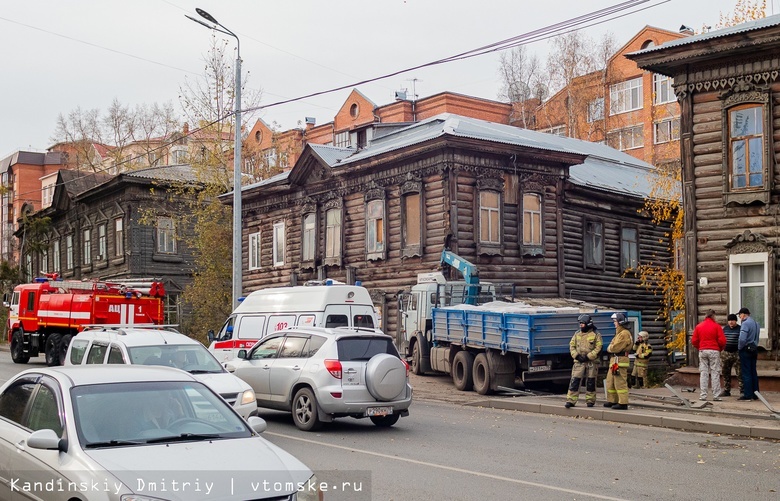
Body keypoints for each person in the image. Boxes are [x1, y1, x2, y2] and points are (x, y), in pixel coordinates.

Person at [565, 314, 603, 408]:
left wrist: (588, 357)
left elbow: (599, 348)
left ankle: (590, 401)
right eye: (580, 323)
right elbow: (572, 346)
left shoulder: (596, 334)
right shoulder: (577, 334)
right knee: (575, 381)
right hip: (579, 362)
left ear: (588, 324)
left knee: (591, 381)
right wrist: (576, 356)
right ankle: (571, 400)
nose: (580, 325)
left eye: (582, 323)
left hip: (591, 362)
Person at [691, 309, 727, 401]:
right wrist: (719, 348)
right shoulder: (717, 326)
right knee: (715, 372)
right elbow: (722, 341)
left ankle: (703, 395)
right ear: (713, 316)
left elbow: (694, 341)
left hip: (703, 350)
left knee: (703, 373)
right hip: (714, 350)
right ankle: (716, 395)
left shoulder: (699, 326)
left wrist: (700, 347)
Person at [604, 312, 633, 410]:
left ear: (620, 322)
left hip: (620, 361)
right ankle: (613, 400)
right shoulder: (619, 333)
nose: (614, 323)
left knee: (620, 383)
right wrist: (611, 347)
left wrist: (611, 347)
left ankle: (623, 403)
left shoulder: (624, 334)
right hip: (615, 361)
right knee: (610, 382)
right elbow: (612, 346)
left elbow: (615, 347)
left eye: (615, 321)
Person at [737, 307, 760, 401]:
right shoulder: (756, 323)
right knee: (753, 371)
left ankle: (748, 394)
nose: (739, 317)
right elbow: (757, 336)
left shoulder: (745, 324)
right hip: (754, 349)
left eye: (740, 315)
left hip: (746, 349)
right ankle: (756, 393)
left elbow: (742, 339)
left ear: (743, 314)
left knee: (746, 372)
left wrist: (739, 347)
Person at [720, 313, 742, 397]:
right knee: (725, 372)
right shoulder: (725, 329)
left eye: (732, 320)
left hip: (736, 353)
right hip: (726, 353)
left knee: (740, 372)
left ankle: (742, 390)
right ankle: (726, 390)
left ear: (736, 321)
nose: (731, 322)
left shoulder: (740, 329)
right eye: (729, 320)